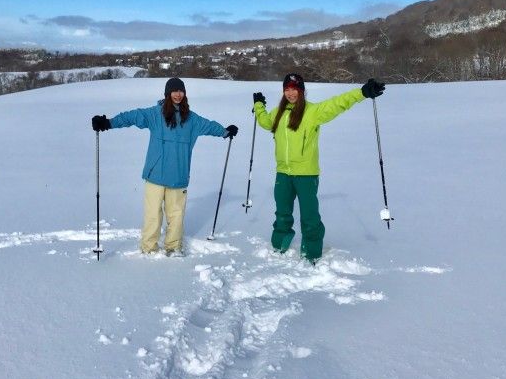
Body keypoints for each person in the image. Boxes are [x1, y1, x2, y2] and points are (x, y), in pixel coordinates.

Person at [92, 77, 238, 256]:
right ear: (167, 93)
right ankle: (149, 248)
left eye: (181, 91)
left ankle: (173, 247)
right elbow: (132, 116)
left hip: (178, 176)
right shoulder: (155, 114)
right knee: (153, 215)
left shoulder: (192, 119)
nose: (178, 94)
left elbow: (209, 126)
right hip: (155, 176)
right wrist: (109, 123)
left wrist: (225, 131)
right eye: (174, 91)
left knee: (176, 216)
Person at [253, 74, 385, 263]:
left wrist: (362, 93)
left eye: (294, 89)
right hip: (283, 172)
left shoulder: (313, 111)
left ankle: (312, 251)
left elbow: (338, 103)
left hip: (306, 174)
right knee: (282, 213)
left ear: (302, 90)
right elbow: (265, 122)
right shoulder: (278, 112)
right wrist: (259, 105)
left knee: (309, 216)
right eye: (287, 89)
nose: (290, 93)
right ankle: (279, 243)